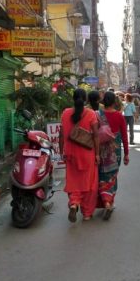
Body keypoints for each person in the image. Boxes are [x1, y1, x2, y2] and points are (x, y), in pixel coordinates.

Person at [59, 87, 100, 223]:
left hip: (70, 154)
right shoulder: (91, 114)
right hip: (87, 154)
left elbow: (61, 134)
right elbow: (96, 136)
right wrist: (98, 154)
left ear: (73, 99)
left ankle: (74, 203)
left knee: (74, 182)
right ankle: (87, 213)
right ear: (86, 99)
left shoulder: (65, 113)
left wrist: (61, 151)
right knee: (89, 184)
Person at [95, 90, 129, 220]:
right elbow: (125, 137)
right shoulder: (119, 116)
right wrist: (126, 154)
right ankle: (109, 202)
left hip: (101, 152)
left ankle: (106, 201)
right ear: (115, 102)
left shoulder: (97, 115)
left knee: (102, 177)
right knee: (112, 177)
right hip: (115, 152)